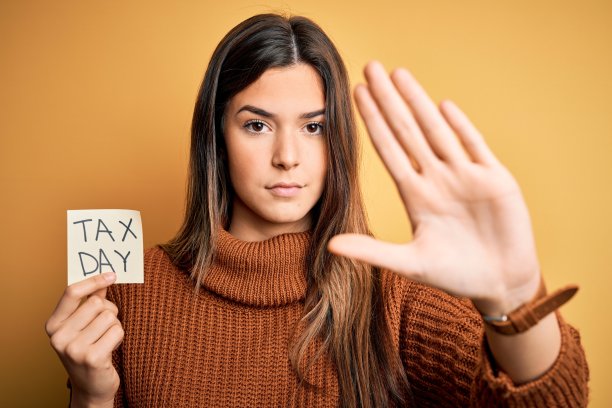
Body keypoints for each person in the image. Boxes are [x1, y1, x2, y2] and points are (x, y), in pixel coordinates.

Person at [45, 13, 589, 407]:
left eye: (315, 126)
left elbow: (551, 401)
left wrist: (516, 299)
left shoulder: (392, 297)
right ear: (217, 136)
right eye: (257, 125)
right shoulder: (126, 293)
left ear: (340, 142)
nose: (287, 157)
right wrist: (91, 397)